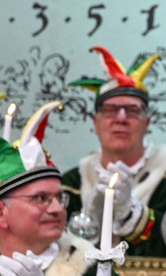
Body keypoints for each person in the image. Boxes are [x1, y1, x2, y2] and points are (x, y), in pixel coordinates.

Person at [61, 47, 166, 259]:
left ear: (147, 123)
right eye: (110, 110)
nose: (121, 118)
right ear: (96, 123)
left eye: (133, 110)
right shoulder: (71, 183)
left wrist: (133, 216)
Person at [0, 103, 95, 276]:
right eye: (41, 198)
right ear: (1, 212)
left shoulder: (90, 266)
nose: (57, 209)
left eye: (59, 197)